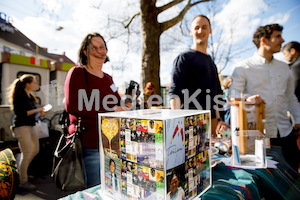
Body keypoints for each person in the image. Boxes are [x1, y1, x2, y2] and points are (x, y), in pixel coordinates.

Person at [230, 24, 300, 171]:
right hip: (259, 138)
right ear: (264, 41)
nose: (282, 40)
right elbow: (233, 95)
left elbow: (290, 97)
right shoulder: (243, 67)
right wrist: (248, 98)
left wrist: (298, 119)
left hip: (286, 133)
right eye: (278, 36)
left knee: (293, 177)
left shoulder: (284, 67)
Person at [64, 33, 127, 188]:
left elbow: (117, 103)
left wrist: (125, 105)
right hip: (89, 144)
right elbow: (73, 105)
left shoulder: (108, 78)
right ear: (85, 51)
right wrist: (110, 110)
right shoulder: (78, 72)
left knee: (112, 188)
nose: (99, 51)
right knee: (95, 190)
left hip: (112, 144)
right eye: (94, 48)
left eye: (102, 47)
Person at [169, 15, 229, 136]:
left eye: (204, 27)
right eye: (197, 28)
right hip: (189, 124)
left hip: (211, 125)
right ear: (191, 32)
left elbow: (216, 95)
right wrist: (177, 125)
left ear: (210, 30)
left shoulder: (211, 62)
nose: (200, 31)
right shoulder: (184, 58)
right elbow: (175, 93)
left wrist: (219, 120)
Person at [8, 74, 46, 190]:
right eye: (34, 82)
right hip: (22, 127)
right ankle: (23, 181)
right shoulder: (19, 96)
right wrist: (38, 110)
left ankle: (22, 172)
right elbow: (22, 113)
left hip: (31, 125)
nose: (36, 85)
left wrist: (40, 113)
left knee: (35, 150)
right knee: (27, 152)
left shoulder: (30, 96)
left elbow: (31, 113)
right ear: (27, 84)